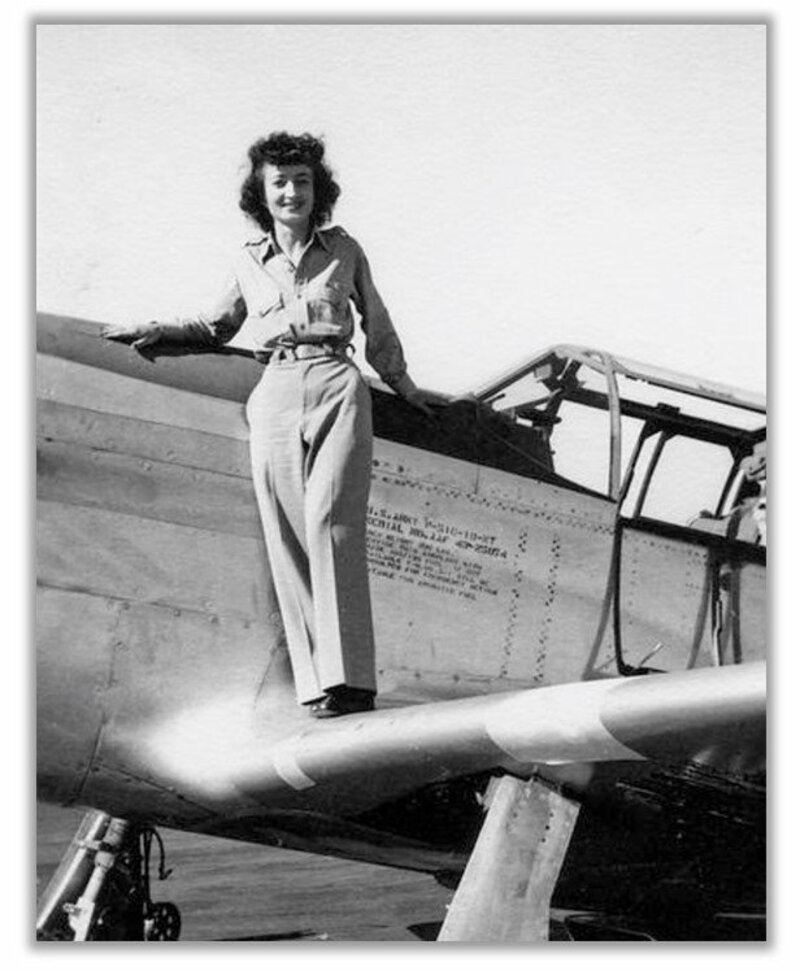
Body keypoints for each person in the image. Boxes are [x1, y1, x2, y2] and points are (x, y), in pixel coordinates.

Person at [104, 131, 441, 717]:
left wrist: (406, 388)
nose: (292, 192)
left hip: (336, 383)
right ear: (262, 194)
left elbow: (378, 326)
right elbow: (215, 326)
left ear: (318, 190)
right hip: (276, 390)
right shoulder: (246, 260)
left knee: (331, 522)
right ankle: (319, 687)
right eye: (279, 183)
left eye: (302, 181)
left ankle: (352, 682)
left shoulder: (345, 250)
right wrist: (160, 329)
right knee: (286, 534)